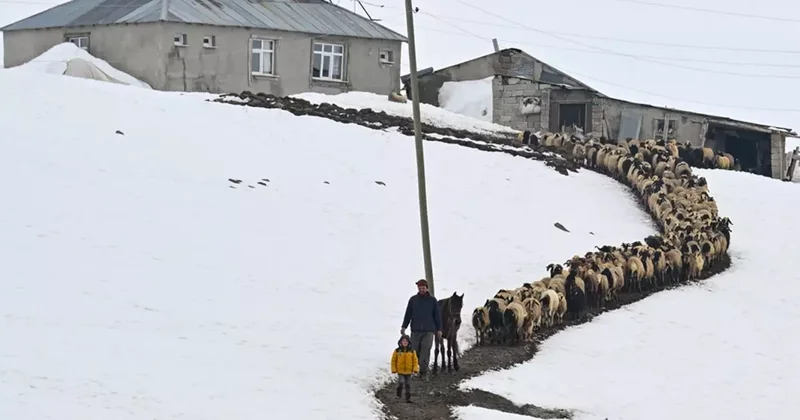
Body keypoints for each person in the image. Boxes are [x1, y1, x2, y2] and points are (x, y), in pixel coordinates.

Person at [400, 279, 442, 379]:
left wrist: (439, 329)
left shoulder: (432, 300)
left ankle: (423, 372)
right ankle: (415, 368)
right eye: (420, 288)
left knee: (425, 351)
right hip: (415, 330)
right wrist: (404, 326)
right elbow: (408, 314)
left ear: (427, 288)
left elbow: (437, 316)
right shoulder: (413, 300)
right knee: (414, 351)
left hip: (429, 330)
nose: (421, 290)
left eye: (423, 288)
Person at [390, 334, 418, 403]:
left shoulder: (412, 351)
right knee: (401, 382)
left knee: (408, 384)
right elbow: (393, 360)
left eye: (406, 341)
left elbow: (415, 361)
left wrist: (415, 369)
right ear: (401, 342)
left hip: (409, 371)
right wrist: (394, 369)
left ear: (409, 342)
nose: (405, 342)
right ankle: (398, 394)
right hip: (400, 371)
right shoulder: (397, 351)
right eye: (403, 341)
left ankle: (408, 398)